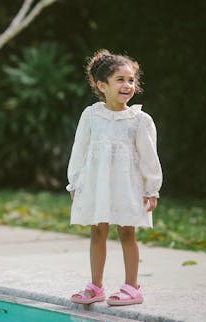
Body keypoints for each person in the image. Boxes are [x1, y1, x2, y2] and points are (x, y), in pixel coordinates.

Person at [67, 49, 162, 306]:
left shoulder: (139, 120)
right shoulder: (91, 115)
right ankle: (96, 286)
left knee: (126, 232)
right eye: (120, 79)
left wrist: (151, 189)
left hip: (128, 187)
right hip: (98, 186)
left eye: (131, 80)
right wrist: (74, 182)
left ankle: (133, 288)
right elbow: (80, 149)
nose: (127, 85)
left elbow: (149, 158)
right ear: (102, 85)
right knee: (97, 231)